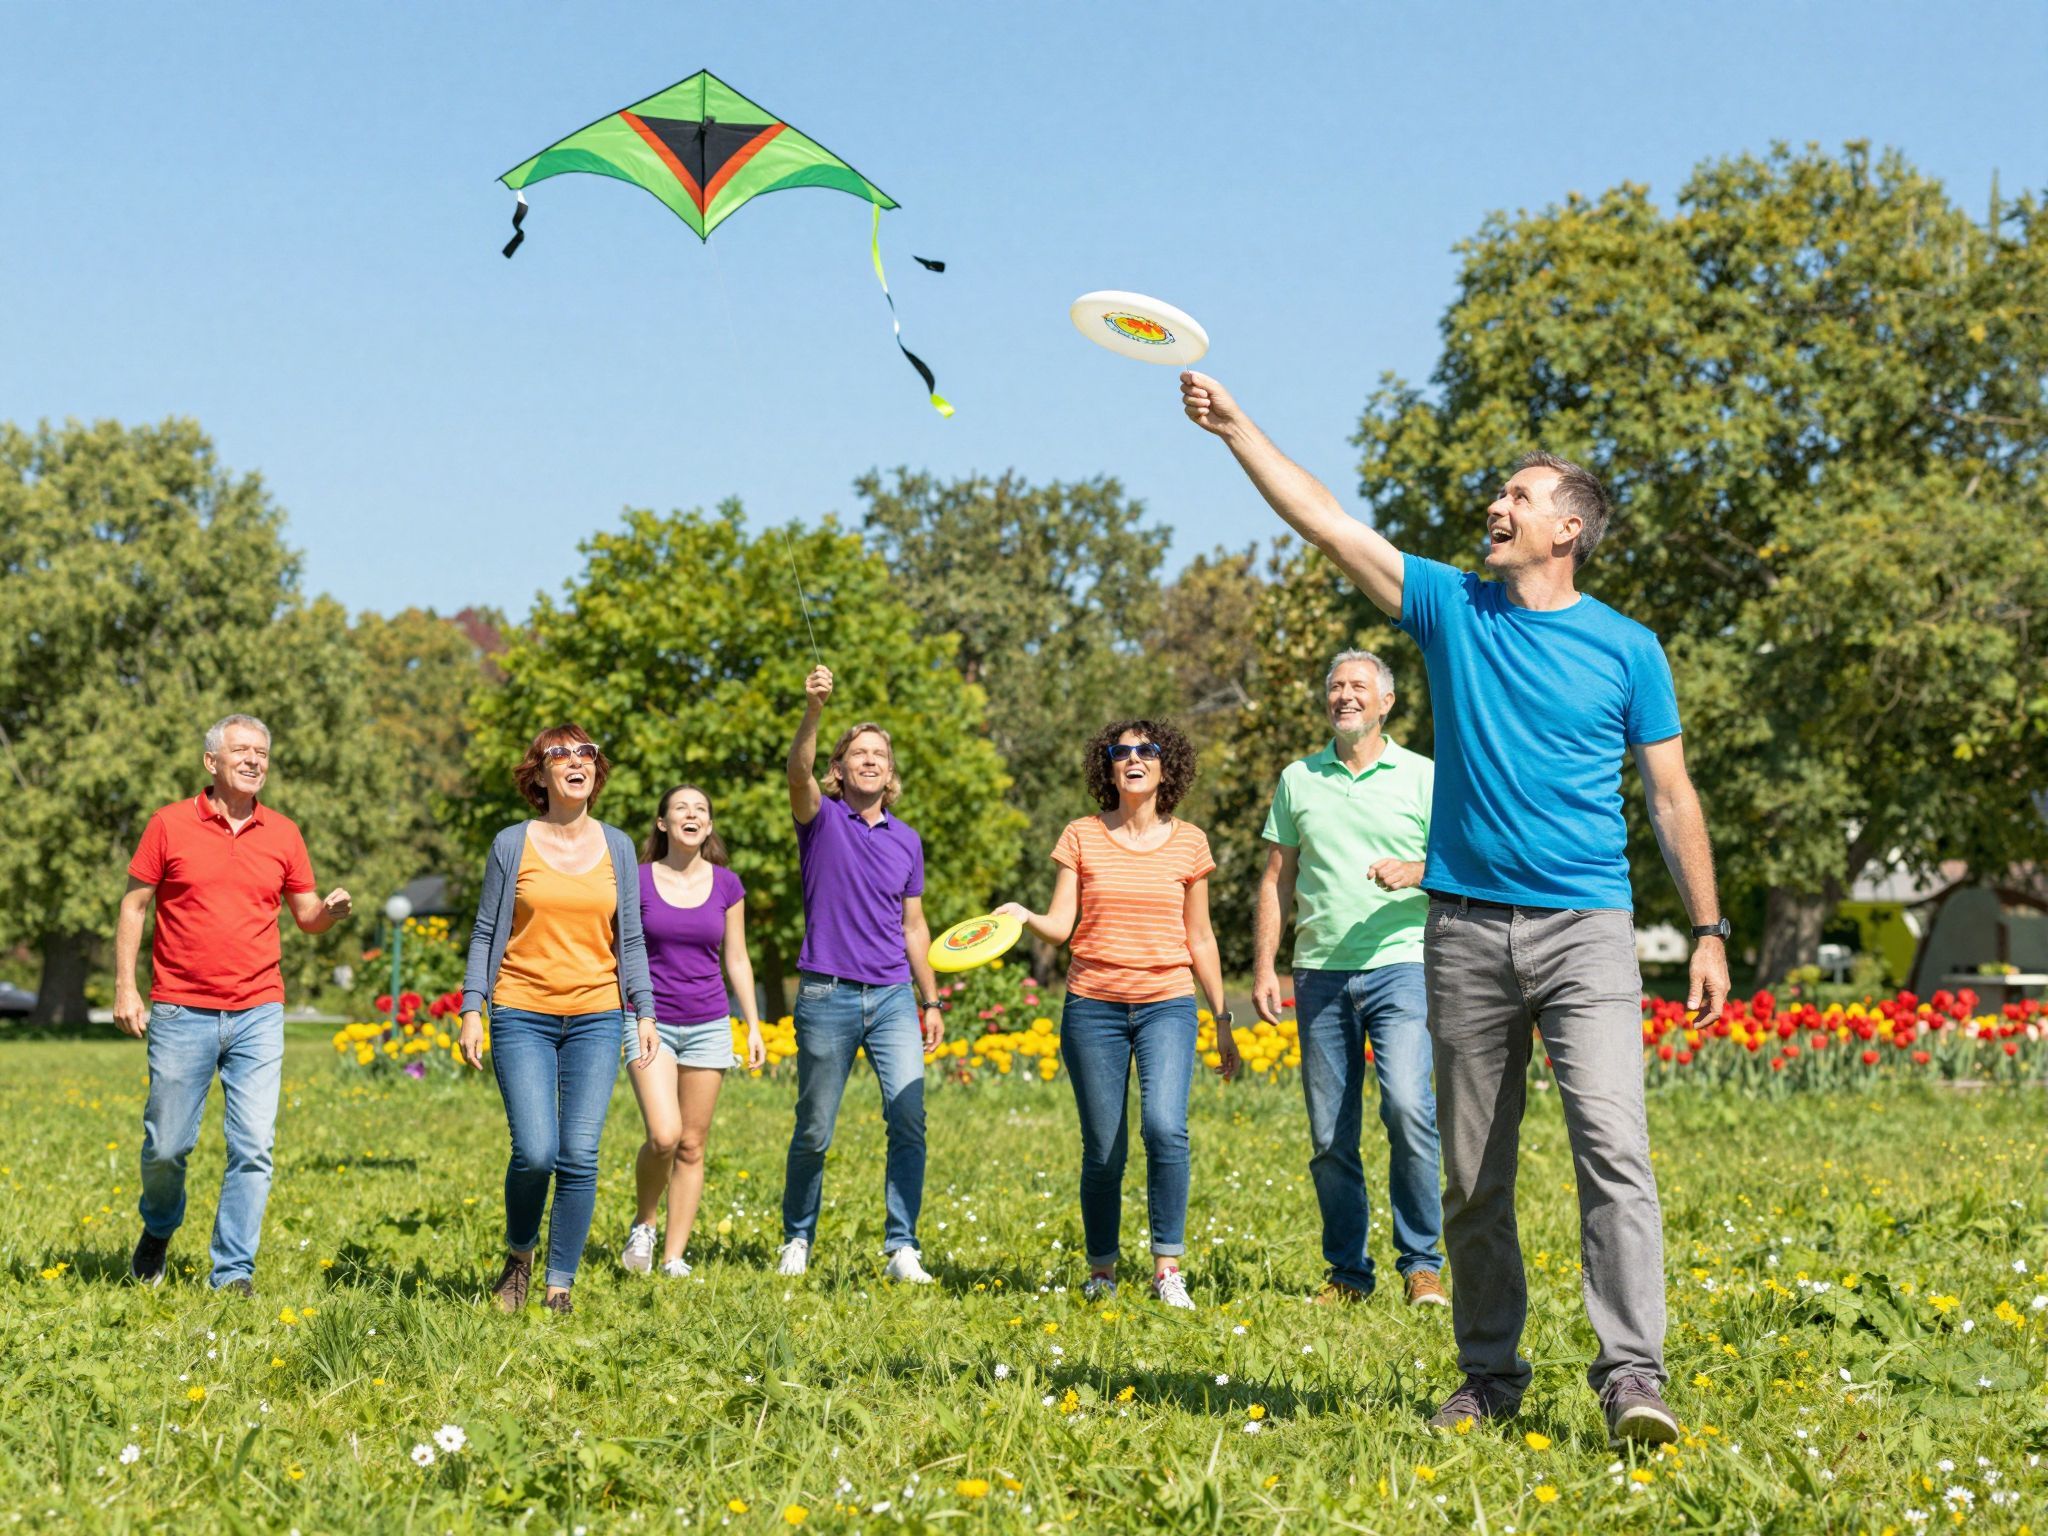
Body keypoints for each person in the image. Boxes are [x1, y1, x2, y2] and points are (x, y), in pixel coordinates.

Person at [1183, 370, 1728, 1446]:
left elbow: (1669, 795)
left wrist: (1706, 929)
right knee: (1471, 1170)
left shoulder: (1627, 647)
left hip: (1586, 930)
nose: (1497, 505)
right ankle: (1487, 1376)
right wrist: (1238, 425)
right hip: (1467, 930)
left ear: (1565, 526)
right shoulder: (1451, 608)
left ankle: (1631, 1376)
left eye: (1517, 496)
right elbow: (1328, 521)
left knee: (1610, 1151)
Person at [997, 718, 1241, 1310]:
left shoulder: (1190, 842)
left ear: (1166, 765)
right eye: (1121, 751)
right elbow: (1061, 926)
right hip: (1093, 1006)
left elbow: (1201, 937)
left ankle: (1167, 1269)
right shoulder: (1080, 835)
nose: (1134, 758)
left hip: (1168, 1005)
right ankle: (1102, 1271)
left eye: (1147, 750)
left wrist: (1222, 1019)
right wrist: (1022, 915)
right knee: (1103, 1147)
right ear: (1108, 767)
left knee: (1165, 1128)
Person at [114, 714, 352, 1294]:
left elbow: (306, 917)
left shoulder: (284, 833)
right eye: (241, 750)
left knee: (253, 1147)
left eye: (262, 752)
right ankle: (160, 1227)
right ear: (211, 762)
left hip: (258, 1011)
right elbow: (133, 908)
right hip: (179, 1010)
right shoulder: (168, 825)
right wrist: (125, 986)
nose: (254, 760)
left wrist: (330, 913)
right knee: (167, 1146)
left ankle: (233, 1273)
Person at [1255, 650, 1445, 1308]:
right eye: (1336, 686)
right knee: (1329, 1134)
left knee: (1408, 1108)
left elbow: (1464, 858)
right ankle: (1346, 1273)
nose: (1344, 696)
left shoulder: (1422, 775)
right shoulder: (1298, 779)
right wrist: (1263, 966)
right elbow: (1275, 878)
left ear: (1386, 702)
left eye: (1358, 686)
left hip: (1403, 962)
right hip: (1319, 973)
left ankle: (1423, 1265)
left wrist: (1417, 870)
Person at [459, 724, 657, 1316]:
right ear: (539, 775)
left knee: (580, 1154)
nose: (576, 761)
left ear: (597, 771)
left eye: (586, 752)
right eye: (560, 753)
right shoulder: (511, 843)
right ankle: (520, 1257)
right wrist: (474, 1005)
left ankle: (559, 1285)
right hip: (521, 1011)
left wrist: (643, 1008)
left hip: (597, 1013)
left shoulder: (618, 846)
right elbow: (487, 931)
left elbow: (632, 937)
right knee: (537, 1152)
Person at [778, 665, 945, 1283]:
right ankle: (797, 1237)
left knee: (909, 1118)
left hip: (895, 997)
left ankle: (902, 1246)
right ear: (840, 768)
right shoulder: (819, 819)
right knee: (815, 1127)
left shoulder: (908, 840)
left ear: (890, 772)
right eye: (858, 753)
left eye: (880, 754)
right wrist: (816, 711)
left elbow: (915, 928)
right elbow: (797, 771)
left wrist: (930, 1000)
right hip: (825, 993)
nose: (870, 761)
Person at [620, 784, 766, 1277]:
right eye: (680, 807)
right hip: (649, 1020)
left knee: (692, 1144)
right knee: (664, 1135)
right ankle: (645, 1220)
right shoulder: (635, 880)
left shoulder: (728, 884)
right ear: (662, 824)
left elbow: (738, 959)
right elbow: (618, 952)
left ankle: (673, 1257)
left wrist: (752, 1026)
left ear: (708, 826)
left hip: (708, 1023)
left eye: (701, 809)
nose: (692, 814)